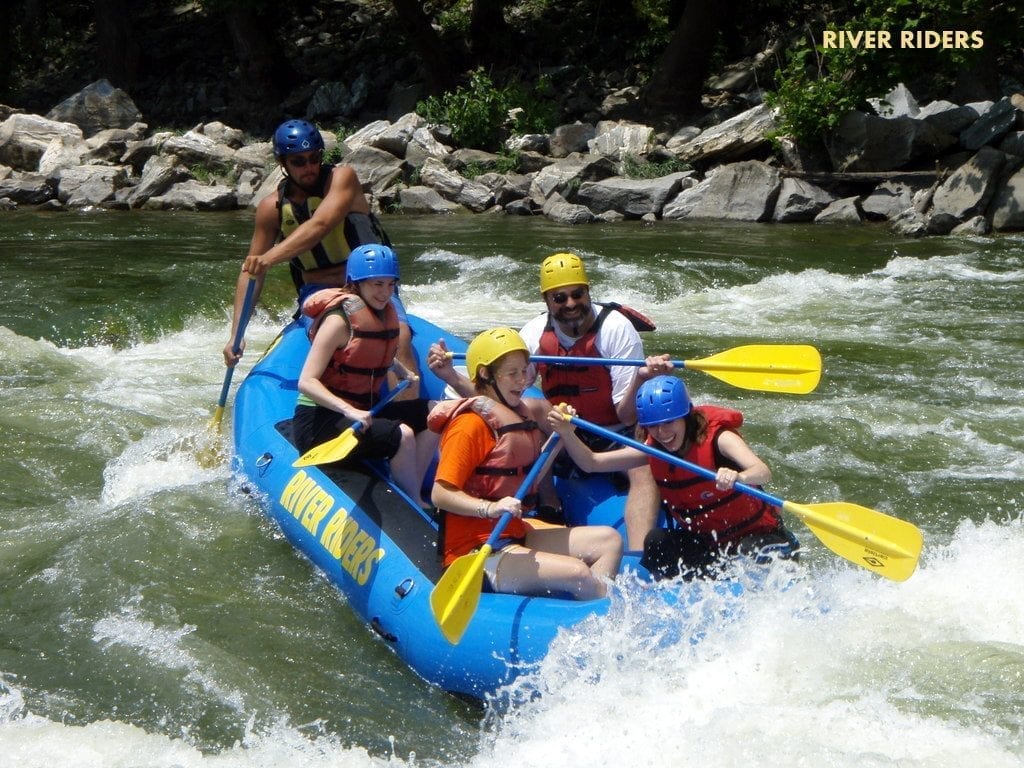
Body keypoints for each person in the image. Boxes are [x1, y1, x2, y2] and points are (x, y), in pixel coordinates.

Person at [427, 251, 664, 549]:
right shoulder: (534, 333)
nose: (570, 304)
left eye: (577, 294)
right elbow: (499, 397)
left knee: (643, 467)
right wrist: (452, 377)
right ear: (547, 301)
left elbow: (628, 415)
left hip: (613, 432)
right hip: (562, 431)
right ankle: (548, 500)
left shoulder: (616, 329)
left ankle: (640, 552)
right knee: (535, 409)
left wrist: (642, 378)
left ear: (588, 292)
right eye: (559, 298)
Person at [222, 119, 422, 403]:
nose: (309, 167)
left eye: (314, 158)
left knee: (398, 334)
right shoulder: (271, 208)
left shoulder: (343, 179)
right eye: (299, 161)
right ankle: (338, 412)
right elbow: (251, 272)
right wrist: (236, 335)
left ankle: (409, 412)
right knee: (338, 334)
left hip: (369, 283)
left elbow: (321, 225)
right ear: (283, 163)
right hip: (318, 290)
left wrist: (268, 258)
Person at [429, 327, 622, 599]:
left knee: (609, 541)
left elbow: (528, 478)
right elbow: (440, 494)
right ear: (485, 374)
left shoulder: (519, 415)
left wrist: (559, 436)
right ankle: (602, 613)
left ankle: (596, 608)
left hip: (516, 532)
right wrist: (490, 508)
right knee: (577, 572)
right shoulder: (469, 426)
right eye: (512, 373)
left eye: (524, 371)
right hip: (475, 550)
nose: (522, 381)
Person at [547, 374, 799, 580]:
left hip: (759, 537)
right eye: (654, 426)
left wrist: (739, 476)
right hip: (712, 545)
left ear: (685, 415)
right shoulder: (652, 448)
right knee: (657, 541)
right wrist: (567, 432)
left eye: (669, 422)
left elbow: (762, 470)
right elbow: (591, 463)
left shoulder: (719, 439)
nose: (662, 432)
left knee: (748, 553)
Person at [293, 244, 436, 509]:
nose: (385, 293)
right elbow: (306, 381)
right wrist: (349, 410)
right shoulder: (337, 321)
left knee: (436, 414)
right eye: (377, 284)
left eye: (391, 285)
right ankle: (415, 503)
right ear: (356, 283)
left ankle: (410, 482)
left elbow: (367, 350)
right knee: (402, 434)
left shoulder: (381, 314)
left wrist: (399, 369)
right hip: (321, 421)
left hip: (363, 412)